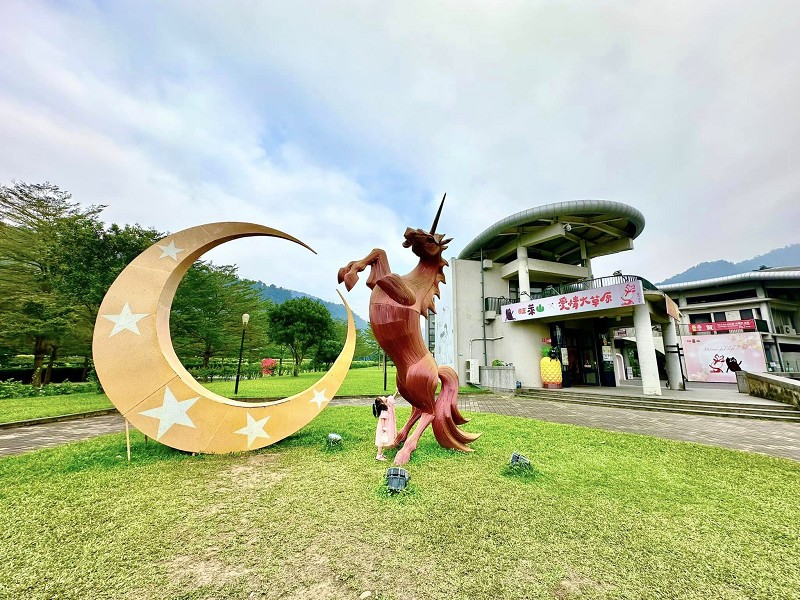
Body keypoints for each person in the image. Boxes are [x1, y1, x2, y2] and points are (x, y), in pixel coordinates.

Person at [374, 390, 398, 461]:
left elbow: (392, 398)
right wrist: (384, 428)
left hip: (386, 427)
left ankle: (380, 454)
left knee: (383, 441)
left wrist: (396, 391)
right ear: (382, 402)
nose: (384, 396)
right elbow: (382, 419)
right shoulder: (384, 410)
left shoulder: (388, 404)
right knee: (381, 442)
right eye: (382, 397)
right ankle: (378, 456)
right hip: (384, 428)